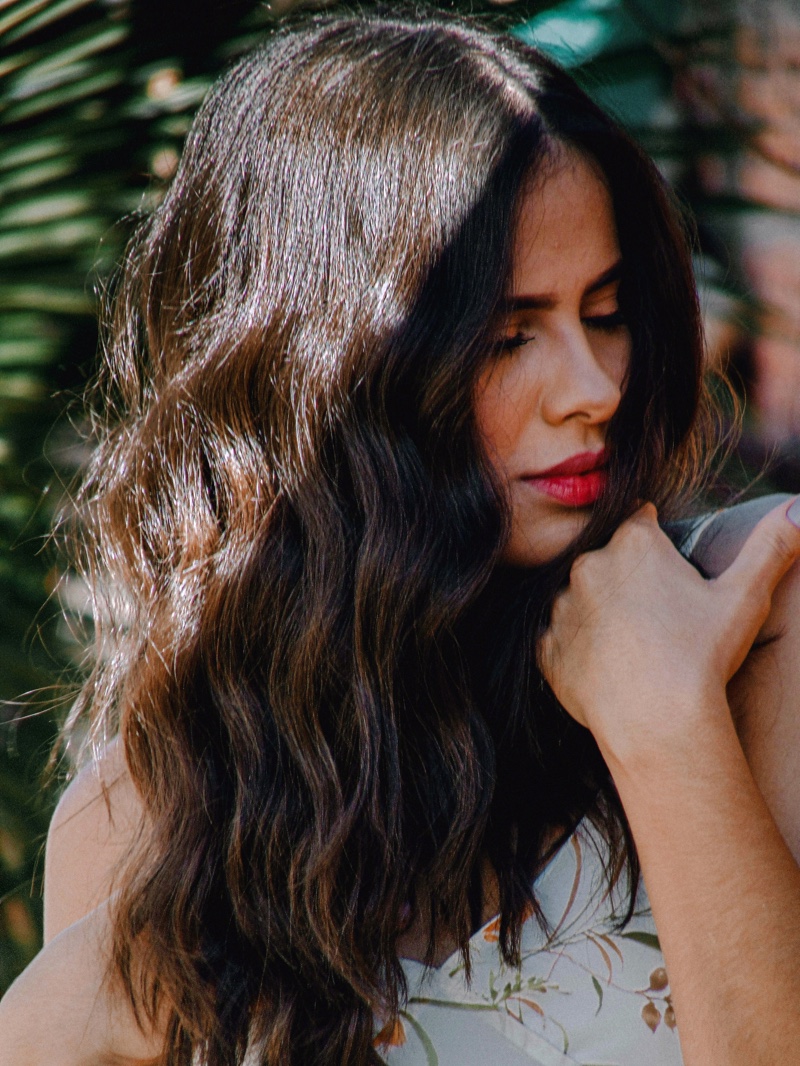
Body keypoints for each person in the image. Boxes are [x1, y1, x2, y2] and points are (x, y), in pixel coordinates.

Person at [2, 8, 800, 1066]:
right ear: (337, 375)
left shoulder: (760, 615)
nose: (593, 389)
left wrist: (666, 728)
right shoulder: (154, 814)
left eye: (604, 314)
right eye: (510, 335)